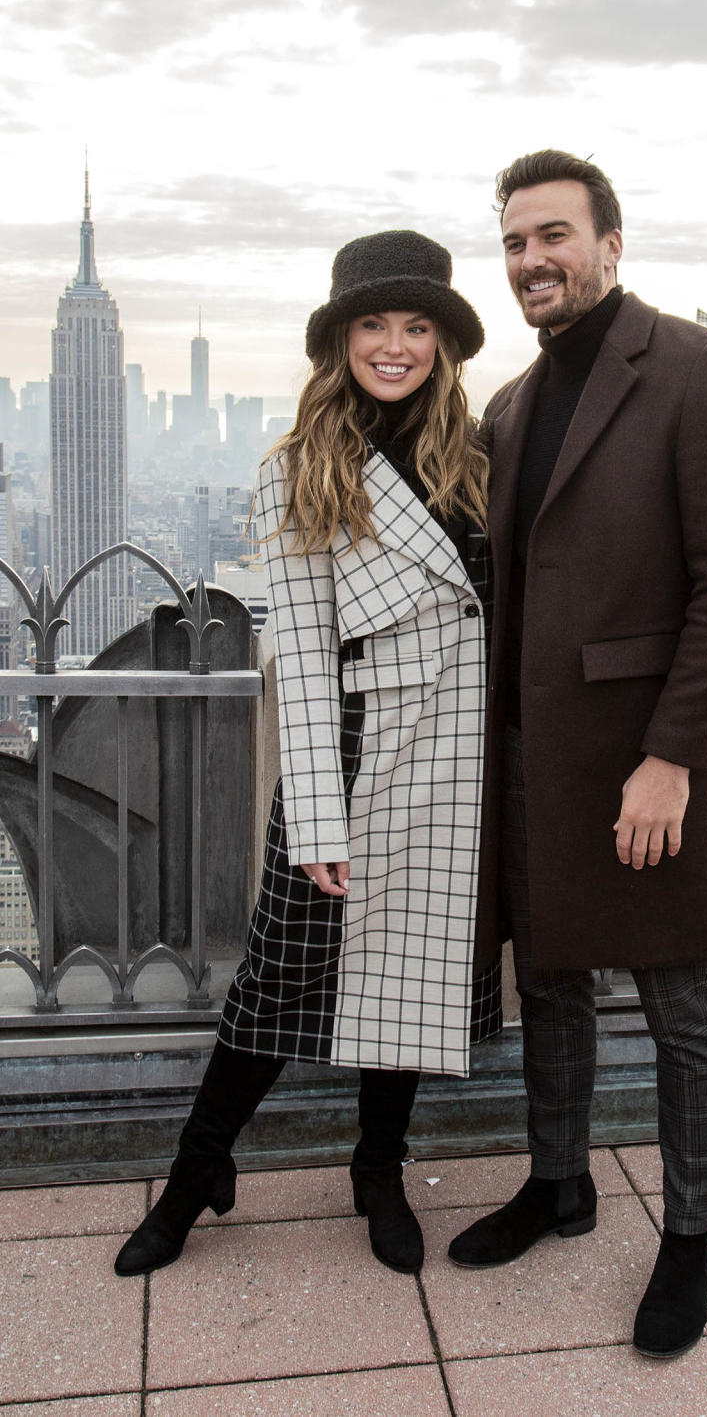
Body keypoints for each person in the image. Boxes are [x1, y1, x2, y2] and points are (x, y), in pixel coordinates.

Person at [115, 230, 501, 1281]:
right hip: (353, 758)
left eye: (416, 325)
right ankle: (197, 1171)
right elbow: (299, 659)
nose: (395, 344)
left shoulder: (476, 460)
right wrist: (319, 823)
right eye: (373, 324)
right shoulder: (300, 469)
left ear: (442, 344)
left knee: (405, 985)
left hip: (455, 768)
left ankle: (377, 1167)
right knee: (276, 988)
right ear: (338, 340)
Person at [448, 151, 707, 1358]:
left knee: (683, 1003)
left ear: (611, 242)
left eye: (554, 235)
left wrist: (672, 756)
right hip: (535, 753)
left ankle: (689, 1236)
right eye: (515, 244)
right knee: (551, 983)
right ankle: (560, 1181)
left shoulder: (695, 369)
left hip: (645, 760)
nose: (533, 259)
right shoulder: (511, 406)